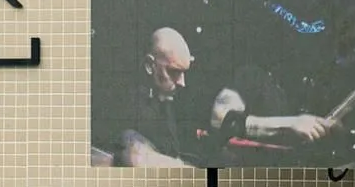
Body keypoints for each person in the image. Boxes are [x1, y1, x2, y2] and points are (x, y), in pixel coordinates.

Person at [119, 27, 332, 167]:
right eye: (174, 72)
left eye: (184, 73)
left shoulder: (174, 100)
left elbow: (224, 124)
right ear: (149, 65)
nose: (182, 82)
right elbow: (136, 156)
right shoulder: (125, 103)